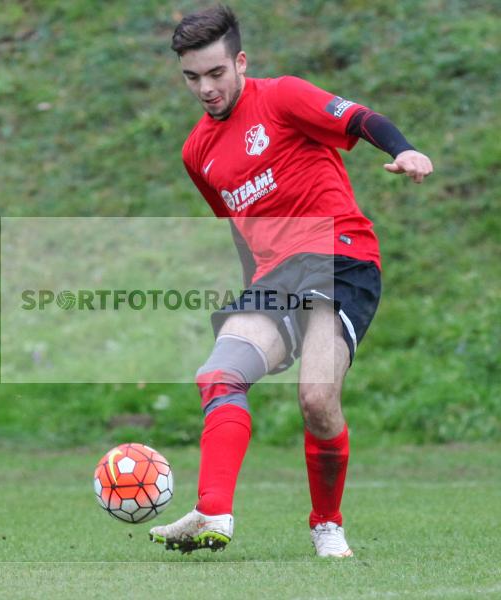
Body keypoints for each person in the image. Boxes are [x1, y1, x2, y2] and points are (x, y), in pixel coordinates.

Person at [148, 5, 433, 557]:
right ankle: (213, 512)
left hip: (339, 255)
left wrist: (405, 150)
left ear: (240, 62)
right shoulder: (197, 152)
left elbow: (357, 118)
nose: (205, 88)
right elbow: (239, 229)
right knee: (219, 374)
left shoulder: (281, 96)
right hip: (276, 276)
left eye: (215, 73)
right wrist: (248, 293)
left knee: (317, 400)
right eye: (192, 78)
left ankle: (327, 525)